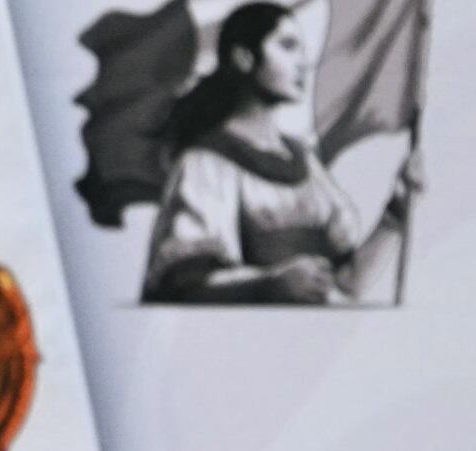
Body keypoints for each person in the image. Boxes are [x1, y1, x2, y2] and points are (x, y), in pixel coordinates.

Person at [142, 2, 422, 304]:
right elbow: (185, 285)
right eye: (287, 46)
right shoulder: (205, 163)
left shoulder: (305, 162)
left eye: (301, 49)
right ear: (244, 58)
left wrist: (396, 212)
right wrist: (270, 284)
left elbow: (348, 284)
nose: (303, 63)